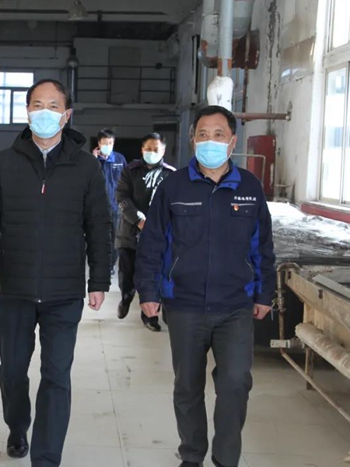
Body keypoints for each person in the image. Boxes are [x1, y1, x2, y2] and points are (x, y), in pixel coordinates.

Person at [0, 79, 112, 467]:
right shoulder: (4, 163)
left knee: (56, 375)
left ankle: (47, 458)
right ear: (27, 112)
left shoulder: (85, 166)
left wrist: (99, 280)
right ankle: (18, 426)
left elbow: (99, 224)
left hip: (64, 292)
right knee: (13, 371)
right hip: (15, 289)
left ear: (66, 115)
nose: (44, 112)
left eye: (53, 106)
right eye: (37, 105)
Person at [135, 105, 275, 467]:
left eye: (218, 135)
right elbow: (152, 244)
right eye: (202, 134)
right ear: (192, 140)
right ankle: (192, 455)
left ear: (232, 141)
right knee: (187, 387)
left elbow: (263, 246)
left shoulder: (249, 187)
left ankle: (226, 459)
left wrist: (265, 293)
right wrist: (148, 292)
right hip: (185, 305)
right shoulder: (174, 186)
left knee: (235, 384)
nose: (210, 141)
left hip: (235, 306)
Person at [115, 132, 175, 332]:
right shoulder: (130, 171)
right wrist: (138, 219)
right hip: (130, 233)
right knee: (128, 274)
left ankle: (150, 316)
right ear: (142, 149)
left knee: (152, 275)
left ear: (163, 151)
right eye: (148, 149)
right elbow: (121, 197)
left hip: (157, 236)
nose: (151, 152)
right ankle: (126, 297)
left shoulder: (170, 175)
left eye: (156, 149)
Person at [92, 128, 127, 276]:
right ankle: (99, 264)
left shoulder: (119, 159)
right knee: (98, 238)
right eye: (105, 143)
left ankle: (110, 265)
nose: (108, 145)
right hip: (98, 207)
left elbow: (126, 181)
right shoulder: (92, 161)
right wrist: (94, 160)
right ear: (99, 143)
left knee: (115, 239)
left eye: (110, 143)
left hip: (116, 207)